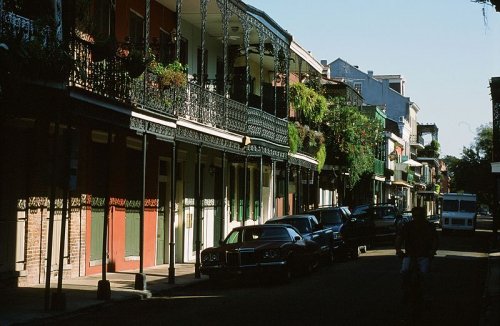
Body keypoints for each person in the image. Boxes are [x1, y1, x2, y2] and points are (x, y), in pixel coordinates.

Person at [395, 206, 439, 303]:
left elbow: (435, 240)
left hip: (424, 255)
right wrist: (398, 250)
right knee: (404, 271)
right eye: (415, 215)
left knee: (425, 273)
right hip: (410, 255)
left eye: (419, 215)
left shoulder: (429, 226)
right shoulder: (407, 226)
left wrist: (432, 251)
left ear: (423, 215)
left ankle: (426, 293)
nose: (417, 217)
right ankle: (405, 290)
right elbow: (400, 238)